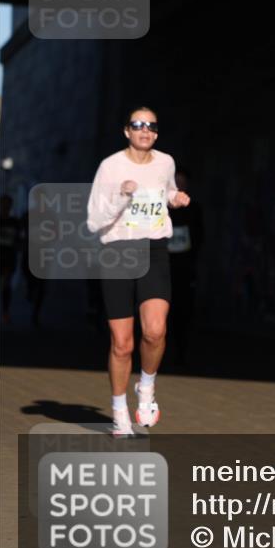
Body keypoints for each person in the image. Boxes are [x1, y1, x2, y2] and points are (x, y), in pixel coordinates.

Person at [86, 107, 191, 437]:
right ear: (126, 131)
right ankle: (119, 413)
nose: (145, 130)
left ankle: (145, 389)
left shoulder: (166, 162)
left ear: (156, 133)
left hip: (153, 250)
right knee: (122, 344)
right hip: (118, 251)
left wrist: (175, 198)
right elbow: (93, 221)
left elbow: (166, 189)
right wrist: (121, 196)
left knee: (155, 331)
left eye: (151, 126)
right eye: (138, 125)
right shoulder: (111, 166)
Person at [167, 168, 203, 366]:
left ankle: (181, 349)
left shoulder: (194, 209)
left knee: (183, 310)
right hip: (163, 268)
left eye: (183, 182)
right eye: (176, 182)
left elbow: (199, 237)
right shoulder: (160, 207)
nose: (179, 186)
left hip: (184, 269)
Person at [0, 194, 20, 324]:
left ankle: (5, 311)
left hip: (8, 258)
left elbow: (19, 240)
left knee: (6, 285)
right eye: (3, 204)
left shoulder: (14, 222)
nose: (5, 207)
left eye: (7, 205)